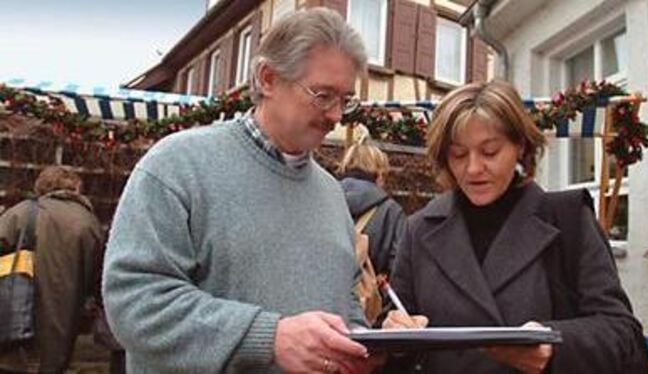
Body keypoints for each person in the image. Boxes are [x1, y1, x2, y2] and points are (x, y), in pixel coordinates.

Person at [103, 8, 384, 374]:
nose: (336, 116)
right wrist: (270, 337)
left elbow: (342, 298)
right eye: (322, 95)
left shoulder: (332, 194)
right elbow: (135, 301)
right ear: (268, 79)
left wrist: (360, 340)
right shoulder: (176, 166)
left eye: (345, 100)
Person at [383, 80, 648, 373]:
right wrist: (394, 337)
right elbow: (394, 334)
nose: (473, 169)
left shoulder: (568, 219)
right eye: (459, 154)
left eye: (490, 151)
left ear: (520, 146)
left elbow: (622, 333)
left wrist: (552, 348)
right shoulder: (418, 229)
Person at [0, 166, 104, 373]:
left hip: (16, 322)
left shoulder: (21, 214)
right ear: (75, 188)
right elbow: (99, 279)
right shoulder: (89, 224)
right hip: (64, 328)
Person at [338, 142, 406, 277]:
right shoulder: (392, 212)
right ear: (380, 174)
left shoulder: (323, 198)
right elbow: (400, 269)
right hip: (367, 294)